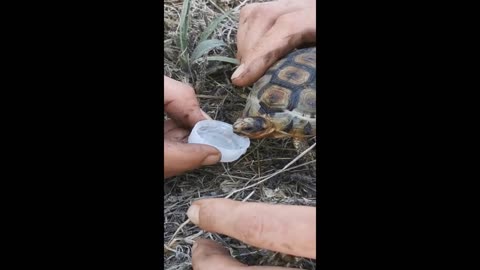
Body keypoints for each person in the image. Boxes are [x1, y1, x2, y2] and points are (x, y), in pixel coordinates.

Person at [164, 0, 316, 268]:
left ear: (263, 128)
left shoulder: (289, 131)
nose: (240, 128)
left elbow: (298, 133)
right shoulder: (261, 114)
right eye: (244, 125)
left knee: (297, 139)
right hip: (291, 73)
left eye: (246, 127)